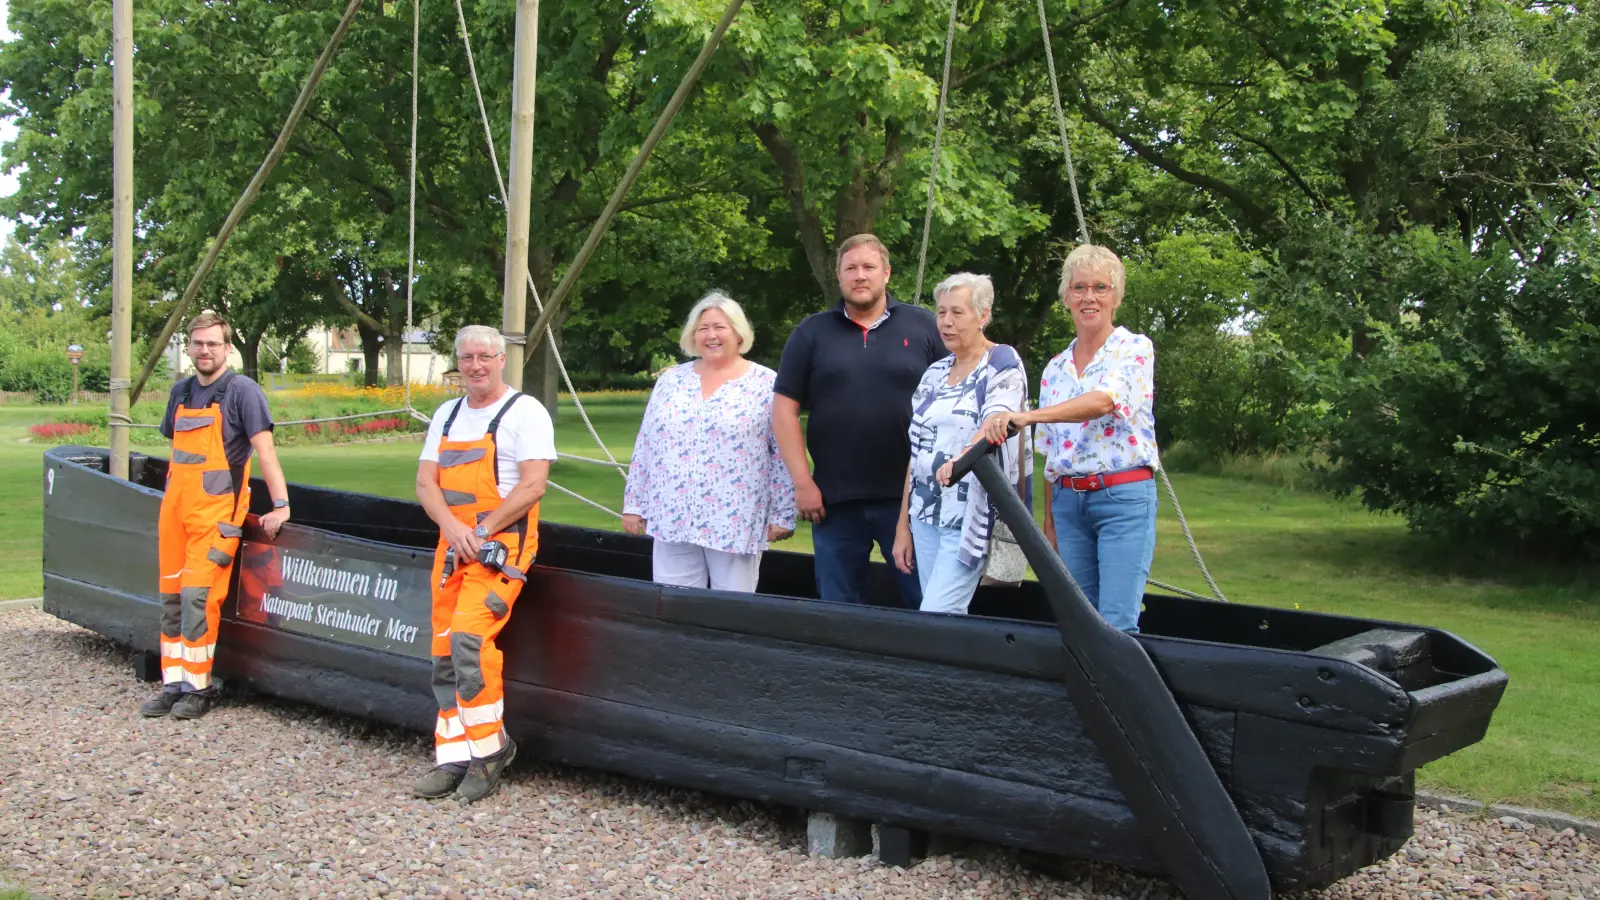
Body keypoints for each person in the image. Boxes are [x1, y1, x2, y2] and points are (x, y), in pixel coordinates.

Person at [411, 325, 556, 803]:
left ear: (501, 360)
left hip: (501, 549)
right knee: (442, 650)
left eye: (484, 357)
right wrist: (454, 531)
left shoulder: (525, 412)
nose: (475, 366)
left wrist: (482, 530)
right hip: (452, 548)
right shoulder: (447, 415)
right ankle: (452, 755)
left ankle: (491, 753)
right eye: (467, 358)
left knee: (469, 642)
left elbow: (533, 486)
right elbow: (426, 485)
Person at [980, 245, 1158, 632]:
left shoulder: (1134, 348)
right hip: (1067, 503)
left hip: (1121, 498)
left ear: (1117, 296)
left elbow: (1102, 402)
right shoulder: (1055, 368)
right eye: (1079, 288)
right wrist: (1050, 522)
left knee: (1117, 623)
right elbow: (1051, 451)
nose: (1089, 297)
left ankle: (1119, 694)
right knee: (1078, 619)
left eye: (1100, 287)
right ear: (1066, 298)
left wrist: (1025, 416)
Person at [772, 234, 946, 607]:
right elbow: (783, 411)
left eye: (869, 267)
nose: (860, 275)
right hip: (834, 500)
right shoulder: (811, 333)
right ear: (839, 276)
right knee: (838, 609)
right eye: (851, 268)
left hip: (910, 499)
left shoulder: (924, 327)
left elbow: (957, 388)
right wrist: (803, 484)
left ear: (887, 273)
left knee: (925, 604)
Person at [140, 311, 291, 720]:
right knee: (171, 598)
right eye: (198, 343)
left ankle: (199, 688)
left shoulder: (243, 391)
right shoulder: (181, 392)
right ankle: (173, 682)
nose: (205, 350)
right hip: (175, 513)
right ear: (189, 347)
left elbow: (266, 453)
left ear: (227, 348)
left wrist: (280, 505)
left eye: (213, 343)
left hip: (216, 515)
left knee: (197, 598)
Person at [623, 292, 796, 592]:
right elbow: (646, 445)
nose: (711, 335)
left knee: (731, 614)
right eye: (703, 328)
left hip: (735, 522)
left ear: (739, 333)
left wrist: (783, 512)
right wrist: (634, 504)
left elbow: (782, 452)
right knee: (673, 608)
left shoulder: (766, 383)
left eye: (720, 327)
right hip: (671, 518)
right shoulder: (671, 381)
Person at [891, 274, 1026, 615]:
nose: (946, 322)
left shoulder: (1001, 362)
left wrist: (961, 460)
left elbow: (997, 422)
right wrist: (902, 526)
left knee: (937, 614)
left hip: (969, 514)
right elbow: (917, 451)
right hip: (924, 513)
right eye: (941, 313)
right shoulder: (934, 372)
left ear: (983, 316)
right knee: (944, 619)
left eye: (957, 313)